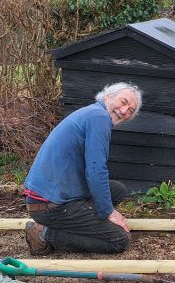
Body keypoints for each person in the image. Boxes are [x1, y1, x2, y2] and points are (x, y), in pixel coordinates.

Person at [22, 82, 142, 255]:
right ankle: (45, 234)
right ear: (108, 96)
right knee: (119, 240)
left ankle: (79, 222)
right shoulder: (99, 118)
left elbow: (92, 170)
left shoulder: (93, 113)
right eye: (123, 102)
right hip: (48, 204)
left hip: (53, 194)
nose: (124, 111)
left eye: (130, 110)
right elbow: (95, 170)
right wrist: (108, 212)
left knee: (117, 191)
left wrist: (105, 209)